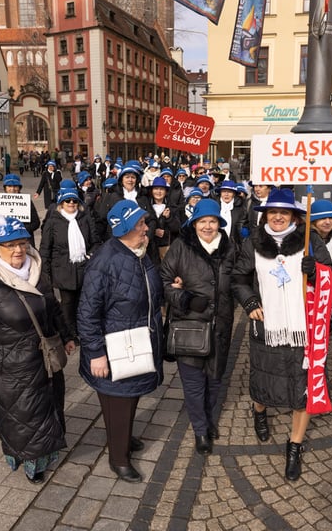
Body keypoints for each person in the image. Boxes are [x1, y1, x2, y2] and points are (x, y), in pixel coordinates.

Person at [0, 216, 74, 484]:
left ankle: (46, 453)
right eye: (9, 245)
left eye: (21, 243)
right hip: (8, 367)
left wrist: (67, 336)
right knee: (21, 418)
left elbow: (53, 308)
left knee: (48, 408)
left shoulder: (37, 271)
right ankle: (29, 461)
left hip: (44, 359)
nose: (17, 251)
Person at [231, 189, 332, 480]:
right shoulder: (253, 242)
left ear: (295, 217)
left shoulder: (309, 241)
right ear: (265, 215)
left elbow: (329, 278)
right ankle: (260, 411)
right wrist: (250, 302)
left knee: (303, 386)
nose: (277, 217)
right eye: (272, 212)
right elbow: (239, 278)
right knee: (263, 376)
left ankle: (295, 445)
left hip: (303, 329)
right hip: (267, 327)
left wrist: (314, 272)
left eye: (284, 212)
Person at [78, 200, 164, 483]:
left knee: (129, 399)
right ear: (124, 229)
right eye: (140, 224)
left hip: (137, 342)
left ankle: (124, 437)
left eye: (144, 222)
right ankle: (119, 458)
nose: (145, 228)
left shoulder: (139, 252)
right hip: (116, 348)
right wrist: (95, 353)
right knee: (118, 403)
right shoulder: (105, 262)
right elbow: (87, 312)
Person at [161, 199, 236, 455]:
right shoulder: (181, 247)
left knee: (215, 381)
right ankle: (201, 430)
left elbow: (239, 280)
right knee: (194, 384)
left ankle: (209, 418)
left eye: (212, 221)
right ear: (194, 224)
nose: (207, 226)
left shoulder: (229, 248)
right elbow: (165, 281)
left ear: (219, 223)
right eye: (202, 221)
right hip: (190, 326)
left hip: (221, 326)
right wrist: (184, 298)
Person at [39, 186, 99, 344]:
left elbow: (95, 241)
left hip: (83, 267)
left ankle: (82, 330)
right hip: (63, 269)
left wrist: (90, 255)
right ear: (61, 203)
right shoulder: (53, 221)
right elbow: (45, 249)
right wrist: (45, 274)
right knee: (67, 303)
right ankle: (70, 334)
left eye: (74, 200)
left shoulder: (85, 218)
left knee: (83, 302)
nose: (71, 203)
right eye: (67, 200)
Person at [0, 174, 40, 247]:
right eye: (9, 186)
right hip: (4, 242)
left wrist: (19, 229)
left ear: (19, 188)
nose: (12, 189)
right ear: (5, 188)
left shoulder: (27, 201)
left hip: (24, 242)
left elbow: (36, 223)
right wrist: (2, 230)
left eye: (15, 186)